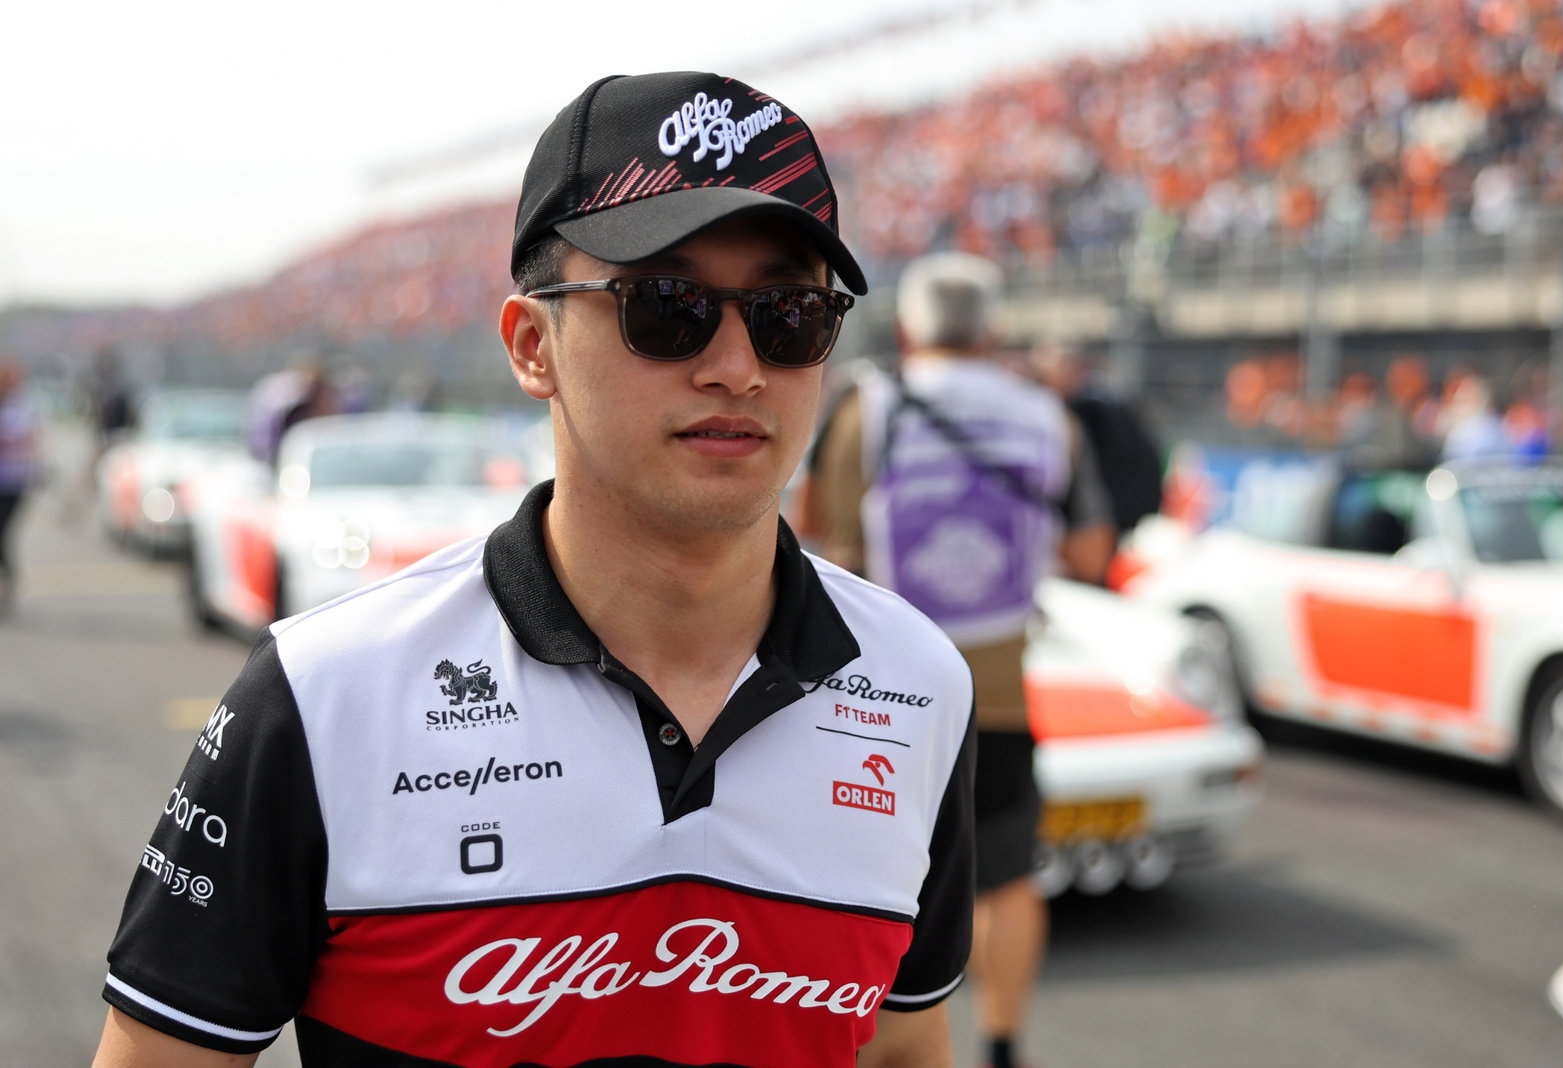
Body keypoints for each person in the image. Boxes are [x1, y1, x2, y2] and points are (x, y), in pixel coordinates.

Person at [93, 71, 975, 1068]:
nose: (738, 365)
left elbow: (904, 1046)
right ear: (531, 346)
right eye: (668, 305)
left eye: (787, 314)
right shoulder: (322, 691)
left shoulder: (916, 680)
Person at [797, 252, 1112, 1068]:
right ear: (994, 331)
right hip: (996, 693)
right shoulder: (1052, 419)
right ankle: (1002, 1044)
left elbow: (805, 528)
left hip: (864, 695)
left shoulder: (863, 408)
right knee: (1007, 879)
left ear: (909, 328)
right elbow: (1088, 550)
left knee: (853, 884)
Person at [1029, 338, 1164, 541]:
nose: (1039, 387)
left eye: (1042, 377)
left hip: (1106, 531)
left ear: (1072, 370)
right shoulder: (1090, 409)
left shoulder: (1093, 415)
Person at [0, 358, 41, 614]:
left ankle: (8, 586)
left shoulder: (24, 407)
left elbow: (27, 440)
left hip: (14, 481)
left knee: (3, 534)